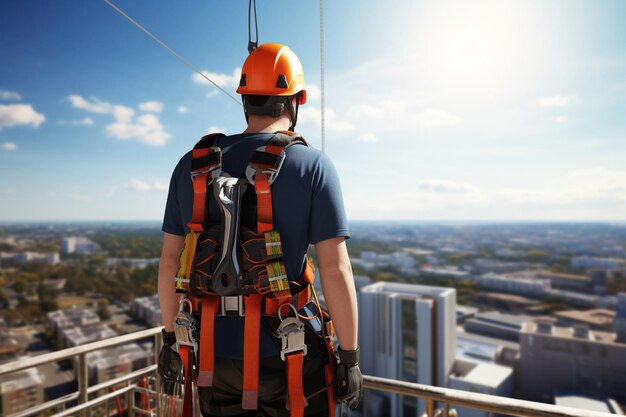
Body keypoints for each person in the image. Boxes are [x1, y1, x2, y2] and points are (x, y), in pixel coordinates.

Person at [157, 43, 362, 417]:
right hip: (289, 351)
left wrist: (171, 340)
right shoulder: (313, 166)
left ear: (245, 98)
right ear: (298, 98)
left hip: (211, 354)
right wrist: (349, 356)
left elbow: (171, 262)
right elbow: (335, 269)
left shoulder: (190, 165)